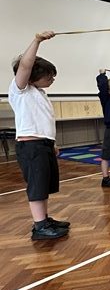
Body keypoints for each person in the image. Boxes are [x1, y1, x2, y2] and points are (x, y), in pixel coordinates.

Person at [9, 31, 70, 244]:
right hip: (31, 146)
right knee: (36, 186)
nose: (52, 79)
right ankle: (39, 227)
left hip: (43, 144)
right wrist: (37, 40)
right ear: (33, 77)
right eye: (49, 76)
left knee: (44, 185)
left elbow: (44, 122)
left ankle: (44, 219)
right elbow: (25, 66)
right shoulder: (20, 90)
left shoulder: (40, 94)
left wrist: (52, 144)